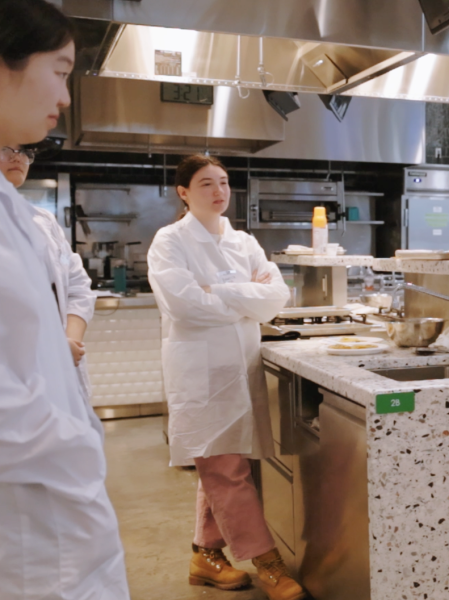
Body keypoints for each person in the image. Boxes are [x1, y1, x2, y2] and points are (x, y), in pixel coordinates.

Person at [0, 1, 130, 597]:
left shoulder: (17, 216)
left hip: (59, 514)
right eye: (59, 69)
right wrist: (73, 448)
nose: (68, 96)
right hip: (28, 525)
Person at [147, 155, 304, 600]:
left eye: (224, 182)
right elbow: (184, 306)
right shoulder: (170, 242)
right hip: (200, 374)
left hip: (242, 367)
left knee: (227, 464)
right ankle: (268, 563)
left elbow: (275, 296)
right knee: (225, 469)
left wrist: (221, 292)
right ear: (183, 193)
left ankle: (206, 556)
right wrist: (245, 298)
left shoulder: (243, 242)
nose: (218, 192)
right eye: (205, 184)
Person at [4, 144, 97, 400]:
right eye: (4, 147)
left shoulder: (43, 221)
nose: (16, 156)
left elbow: (77, 286)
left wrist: (68, 344)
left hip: (64, 366)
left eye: (24, 151)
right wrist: (51, 348)